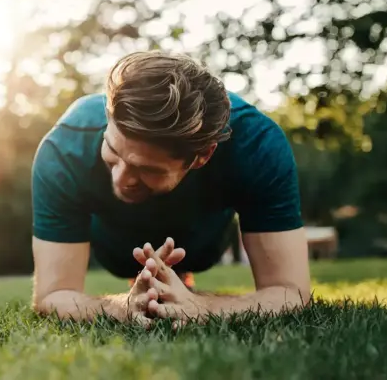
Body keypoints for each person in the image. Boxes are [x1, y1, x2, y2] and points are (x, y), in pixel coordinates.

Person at [30, 51, 311, 325]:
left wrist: (201, 306)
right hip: (115, 247)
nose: (120, 178)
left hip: (202, 243)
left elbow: (292, 293)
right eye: (112, 150)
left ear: (203, 155)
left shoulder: (257, 145)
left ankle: (179, 276)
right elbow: (52, 296)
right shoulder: (64, 149)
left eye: (146, 169)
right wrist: (122, 307)